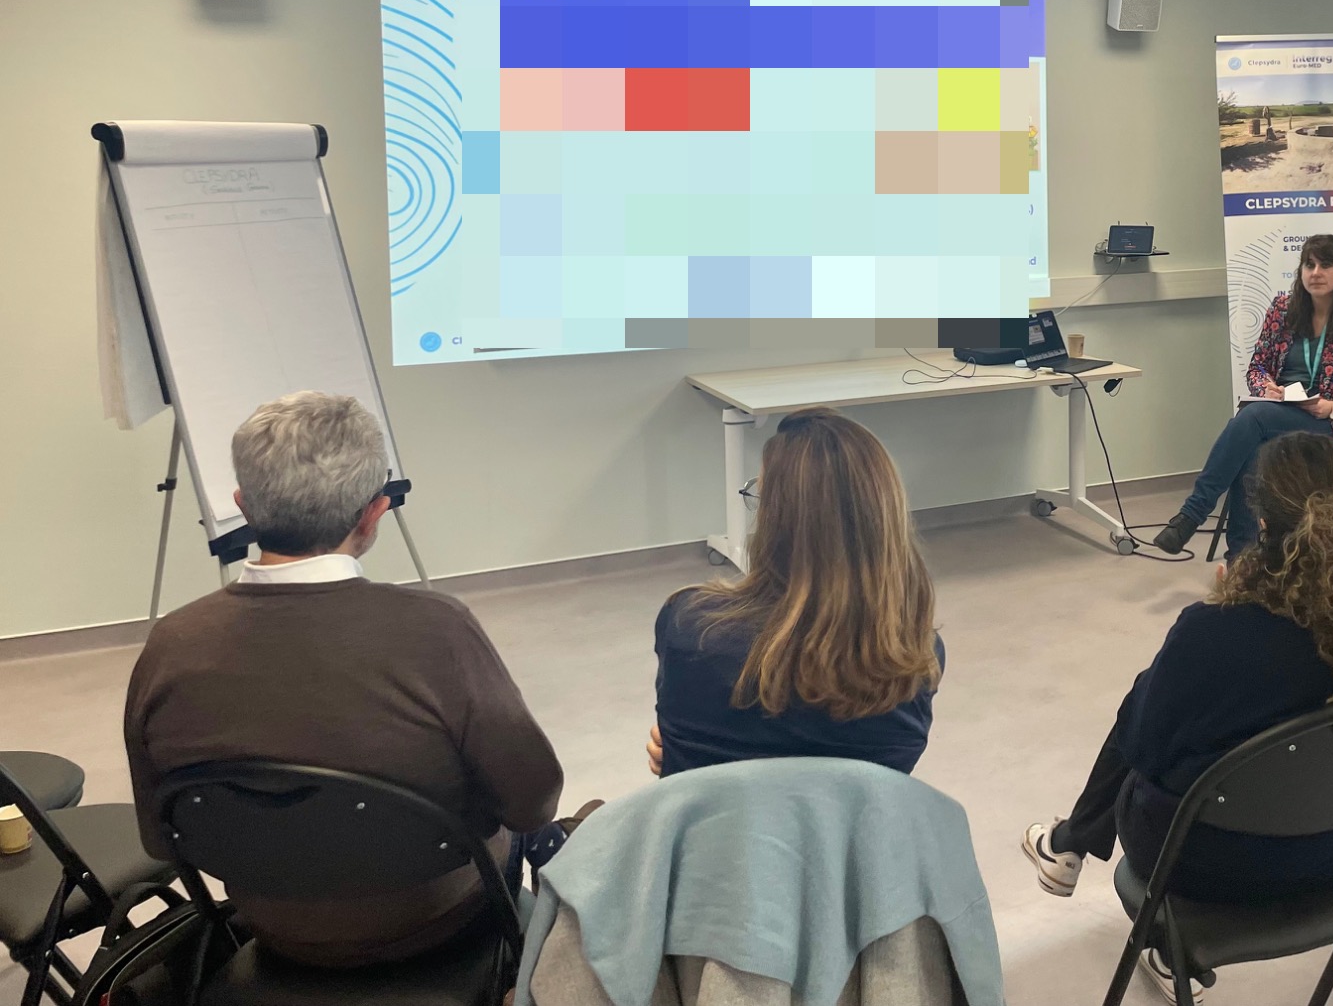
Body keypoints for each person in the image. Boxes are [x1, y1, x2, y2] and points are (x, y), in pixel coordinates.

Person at [124, 392, 567, 967]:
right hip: (435, 922)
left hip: (273, 929)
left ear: (243, 507)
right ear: (374, 513)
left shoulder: (171, 643)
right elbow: (532, 800)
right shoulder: (439, 630)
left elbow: (160, 837)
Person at [1023, 432, 1333, 1002]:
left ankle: (1076, 847)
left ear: (1260, 523)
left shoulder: (1213, 633)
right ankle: (1111, 887)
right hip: (1326, 854)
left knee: (1151, 695)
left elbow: (1145, 753)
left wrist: (1214, 620)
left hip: (1192, 864)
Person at [645, 407, 942, 778]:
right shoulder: (914, 659)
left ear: (776, 518)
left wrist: (680, 751)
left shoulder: (690, 625)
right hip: (850, 820)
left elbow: (683, 765)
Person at [1151, 234, 1333, 559]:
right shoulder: (1283, 310)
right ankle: (1242, 559)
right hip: (1279, 411)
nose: (1315, 272)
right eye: (1309, 265)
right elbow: (1258, 367)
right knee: (1253, 448)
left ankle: (1194, 517)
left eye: (1325, 264)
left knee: (1252, 420)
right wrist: (1266, 385)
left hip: (1326, 424)